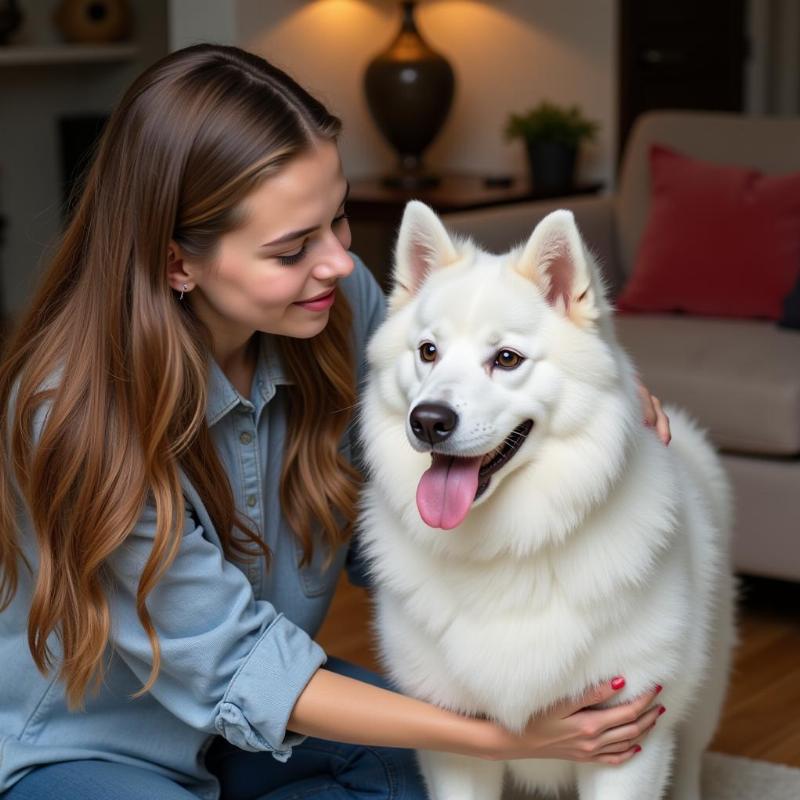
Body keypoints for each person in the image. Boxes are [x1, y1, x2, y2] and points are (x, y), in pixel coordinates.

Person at [0, 44, 670, 800]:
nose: (338, 264)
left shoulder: (338, 312)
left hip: (242, 734)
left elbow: (485, 377)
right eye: (291, 249)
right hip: (92, 745)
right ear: (177, 264)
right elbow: (238, 664)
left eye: (338, 219)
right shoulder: (72, 411)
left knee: (419, 772)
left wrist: (606, 377)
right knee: (455, 752)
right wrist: (503, 735)